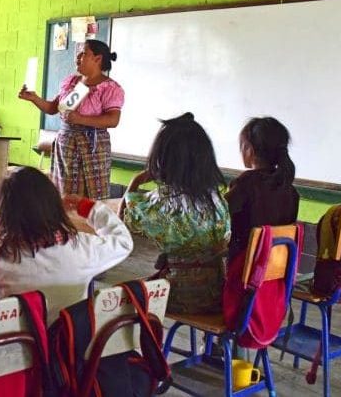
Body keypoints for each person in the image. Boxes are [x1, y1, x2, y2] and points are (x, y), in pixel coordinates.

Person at [0, 166, 133, 323]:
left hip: (22, 351)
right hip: (72, 348)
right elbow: (123, 241)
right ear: (54, 204)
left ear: (1, 213)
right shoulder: (84, 247)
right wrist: (89, 208)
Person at [119, 112, 230, 314]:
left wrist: (135, 181)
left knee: (119, 297)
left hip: (182, 295)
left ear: (163, 160)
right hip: (218, 292)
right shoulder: (215, 197)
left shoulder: (166, 202)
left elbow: (124, 219)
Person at [18, 39, 124, 200]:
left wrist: (80, 118)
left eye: (84, 54)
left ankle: (88, 224)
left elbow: (113, 120)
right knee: (64, 194)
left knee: (91, 195)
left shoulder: (109, 87)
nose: (78, 57)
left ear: (98, 59)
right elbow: (54, 108)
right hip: (66, 145)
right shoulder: (72, 82)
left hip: (92, 146)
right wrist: (34, 98)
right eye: (78, 53)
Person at [225, 117, 299, 262]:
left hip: (244, 269)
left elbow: (220, 216)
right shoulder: (290, 191)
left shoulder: (245, 184)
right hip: (277, 270)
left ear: (249, 150)